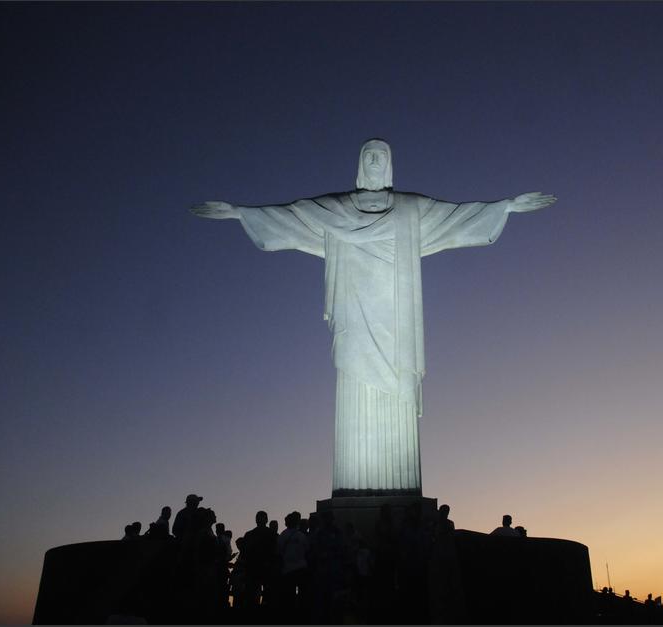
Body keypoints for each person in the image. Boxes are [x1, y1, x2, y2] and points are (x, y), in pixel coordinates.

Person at [192, 139, 555, 496]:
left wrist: (505, 206)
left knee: (397, 384)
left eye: (382, 155)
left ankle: (398, 485)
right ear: (361, 163)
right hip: (354, 312)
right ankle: (354, 486)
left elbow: (457, 217)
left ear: (391, 163)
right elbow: (292, 215)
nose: (376, 161)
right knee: (353, 378)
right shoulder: (336, 209)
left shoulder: (411, 208)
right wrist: (241, 213)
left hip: (396, 317)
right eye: (370, 155)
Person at [241, 511, 276, 608]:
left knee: (252, 594)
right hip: (264, 567)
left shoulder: (249, 534)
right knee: (266, 594)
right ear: (266, 520)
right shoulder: (271, 534)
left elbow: (244, 552)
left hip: (254, 568)